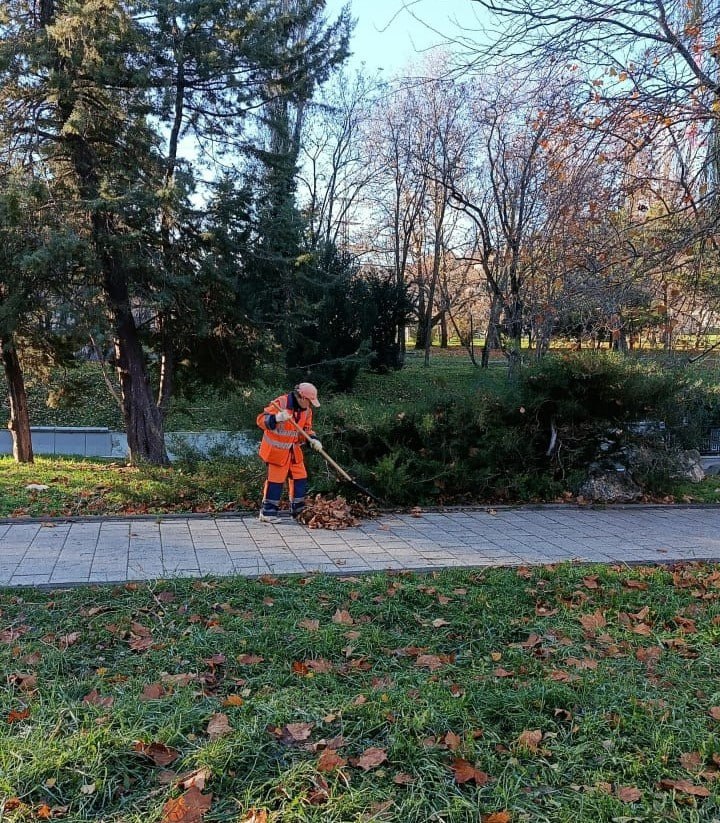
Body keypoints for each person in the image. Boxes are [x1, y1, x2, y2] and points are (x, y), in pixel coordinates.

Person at [256, 382, 323, 523]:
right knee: (275, 481)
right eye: (309, 401)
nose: (310, 405)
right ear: (302, 398)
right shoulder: (281, 403)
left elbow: (306, 430)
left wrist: (313, 440)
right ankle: (267, 513)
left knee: (300, 478)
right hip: (276, 452)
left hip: (293, 451)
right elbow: (261, 420)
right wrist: (276, 418)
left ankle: (298, 512)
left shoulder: (307, 411)